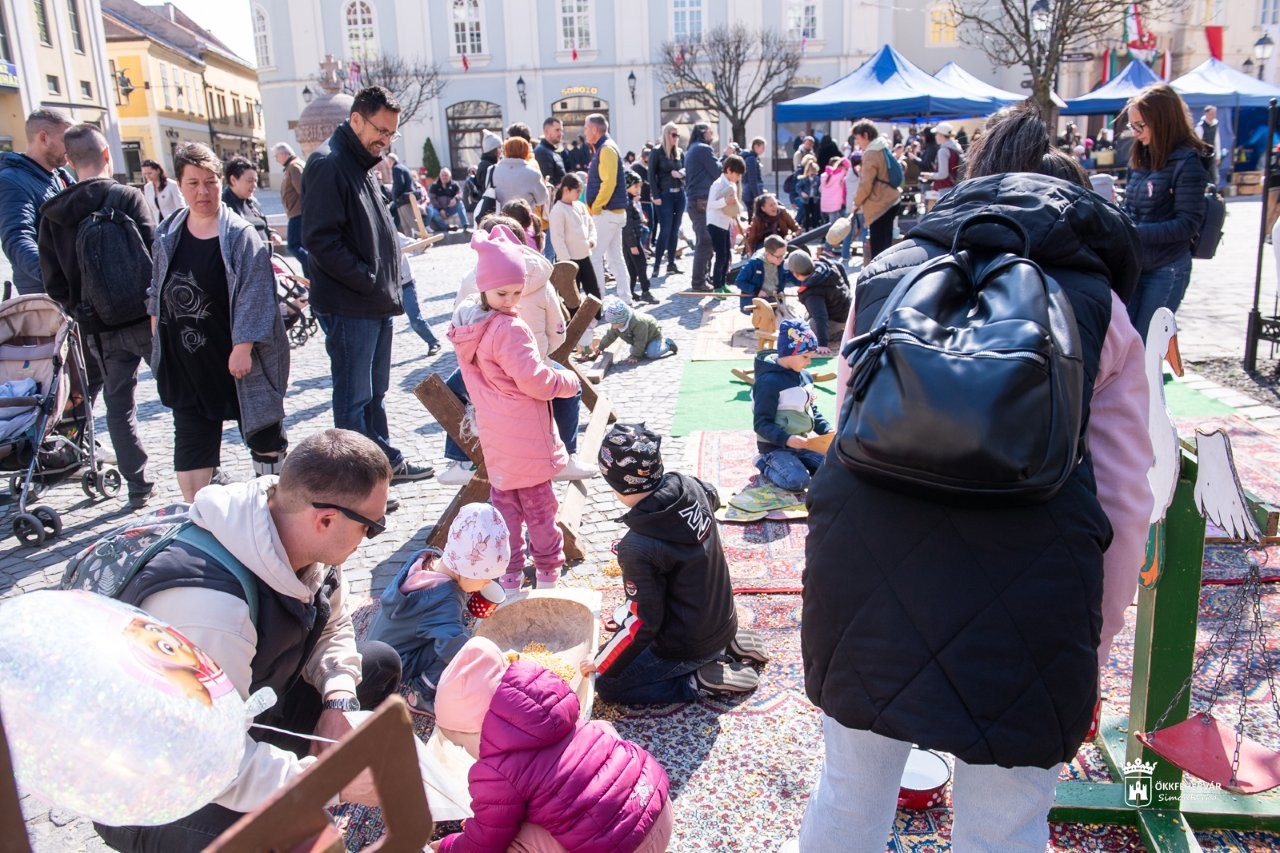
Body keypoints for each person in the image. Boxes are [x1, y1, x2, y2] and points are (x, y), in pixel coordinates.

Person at [793, 102, 1151, 853]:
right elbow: (1123, 497)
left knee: (850, 794)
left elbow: (847, 435)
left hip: (864, 580)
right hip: (1032, 602)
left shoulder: (889, 274)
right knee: (1002, 823)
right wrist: (1096, 635)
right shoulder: (1103, 308)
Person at [95, 429, 404, 852]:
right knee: (307, 840)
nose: (371, 537)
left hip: (234, 714)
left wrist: (339, 700)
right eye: (372, 526)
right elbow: (209, 762)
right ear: (326, 519)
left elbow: (333, 626)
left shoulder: (291, 527)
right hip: (154, 782)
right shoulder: (213, 612)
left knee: (377, 662)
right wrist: (332, 784)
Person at [302, 86, 434, 491]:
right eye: (381, 130)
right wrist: (369, 279)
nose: (385, 140)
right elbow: (321, 242)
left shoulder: (360, 163)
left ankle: (381, 468)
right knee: (354, 401)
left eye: (392, 134)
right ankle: (356, 485)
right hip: (350, 305)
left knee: (375, 395)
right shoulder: (328, 163)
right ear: (356, 119)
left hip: (374, 302)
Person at [431, 636, 673, 852]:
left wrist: (446, 846)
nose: (470, 754)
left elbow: (485, 843)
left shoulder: (493, 773)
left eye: (462, 744)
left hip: (622, 846)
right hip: (658, 808)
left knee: (511, 841)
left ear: (477, 729)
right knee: (599, 729)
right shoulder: (555, 711)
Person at [149, 142, 290, 502]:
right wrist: (155, 334)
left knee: (265, 440)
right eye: (193, 183)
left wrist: (243, 346)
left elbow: (257, 295)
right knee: (193, 455)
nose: (203, 192)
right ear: (179, 185)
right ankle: (204, 529)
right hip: (190, 365)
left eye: (210, 182)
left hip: (240, 365)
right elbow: (156, 289)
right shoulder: (168, 234)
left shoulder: (240, 236)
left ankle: (275, 516)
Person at [585, 422, 766, 702]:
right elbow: (713, 497)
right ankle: (726, 643)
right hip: (723, 616)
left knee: (608, 685)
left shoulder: (636, 547)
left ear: (614, 484)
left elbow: (643, 622)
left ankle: (695, 682)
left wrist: (601, 662)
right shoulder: (689, 484)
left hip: (687, 643)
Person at [447, 227, 582, 591]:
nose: (510, 300)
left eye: (517, 293)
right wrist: (568, 383)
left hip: (496, 440)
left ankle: (508, 577)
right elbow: (535, 380)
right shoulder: (509, 329)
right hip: (527, 439)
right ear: (484, 289)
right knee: (540, 511)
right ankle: (549, 573)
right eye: (503, 292)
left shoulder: (470, 327)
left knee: (505, 512)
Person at [37, 124, 157, 509]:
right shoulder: (127, 196)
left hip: (98, 328)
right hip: (146, 318)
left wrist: (80, 312)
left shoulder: (53, 214)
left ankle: (138, 485)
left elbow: (53, 282)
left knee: (119, 407)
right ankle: (204, 469)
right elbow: (158, 256)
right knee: (184, 394)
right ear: (107, 155)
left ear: (69, 163)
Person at [367, 503, 510, 715]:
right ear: (466, 570)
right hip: (396, 663)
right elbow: (454, 649)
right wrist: (486, 662)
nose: (486, 584)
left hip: (383, 641)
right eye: (484, 579)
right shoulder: (445, 599)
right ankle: (422, 693)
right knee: (458, 645)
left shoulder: (426, 558)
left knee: (449, 629)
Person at [1120, 83, 1212, 341]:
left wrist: (1135, 232)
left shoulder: (1188, 162)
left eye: (1140, 125)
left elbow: (1187, 224)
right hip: (1139, 265)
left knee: (1147, 346)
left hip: (1166, 268)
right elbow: (1132, 208)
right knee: (1128, 343)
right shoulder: (1142, 157)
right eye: (1132, 126)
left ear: (1162, 121)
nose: (1136, 133)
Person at [750, 319, 830, 493]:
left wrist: (828, 431)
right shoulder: (768, 382)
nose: (809, 362)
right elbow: (761, 423)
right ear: (789, 352)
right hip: (776, 446)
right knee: (798, 481)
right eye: (805, 357)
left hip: (803, 443)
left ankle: (796, 463)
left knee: (834, 470)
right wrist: (787, 439)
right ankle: (763, 463)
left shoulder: (805, 376)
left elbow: (811, 409)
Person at [0, 109, 73, 295]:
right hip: (45, 296)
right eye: (67, 140)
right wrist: (55, 276)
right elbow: (17, 237)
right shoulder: (11, 180)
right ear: (43, 138)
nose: (72, 147)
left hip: (67, 292)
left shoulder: (58, 176)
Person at [582, 113, 632, 305]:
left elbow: (608, 182)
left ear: (594, 129)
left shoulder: (606, 149)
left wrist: (596, 206)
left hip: (607, 213)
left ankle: (597, 302)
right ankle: (625, 299)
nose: (585, 132)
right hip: (612, 213)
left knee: (595, 257)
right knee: (615, 259)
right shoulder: (606, 147)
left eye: (586, 128)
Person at [549, 173, 601, 327]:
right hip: (569, 259)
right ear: (566, 190)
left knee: (593, 287)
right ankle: (575, 324)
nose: (580, 194)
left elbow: (590, 225)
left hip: (584, 254)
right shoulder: (558, 210)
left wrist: (592, 240)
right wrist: (566, 261)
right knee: (572, 294)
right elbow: (557, 238)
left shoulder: (579, 205)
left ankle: (597, 315)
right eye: (577, 191)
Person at [849, 119, 904, 263]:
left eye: (858, 138)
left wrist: (856, 202)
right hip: (891, 199)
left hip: (880, 204)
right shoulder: (882, 147)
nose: (857, 142)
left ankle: (878, 277)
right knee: (885, 243)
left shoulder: (871, 153)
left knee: (878, 247)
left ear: (866, 135)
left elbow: (866, 184)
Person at [786, 250, 850, 356]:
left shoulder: (812, 293)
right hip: (844, 307)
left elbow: (821, 317)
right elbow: (841, 267)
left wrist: (822, 344)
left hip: (837, 318)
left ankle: (838, 334)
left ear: (796, 274)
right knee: (808, 315)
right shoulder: (826, 266)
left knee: (802, 333)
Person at [683, 122, 719, 292]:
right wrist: (727, 158)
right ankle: (698, 281)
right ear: (703, 132)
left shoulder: (693, 148)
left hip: (698, 200)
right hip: (701, 201)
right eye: (711, 131)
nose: (713, 134)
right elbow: (718, 171)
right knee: (705, 241)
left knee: (705, 240)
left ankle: (703, 277)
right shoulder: (703, 149)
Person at [648, 121, 686, 277]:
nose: (676, 137)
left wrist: (682, 174)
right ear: (667, 134)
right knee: (665, 230)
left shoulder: (680, 152)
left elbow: (685, 169)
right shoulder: (657, 152)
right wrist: (655, 195)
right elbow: (651, 174)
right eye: (674, 134)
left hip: (679, 194)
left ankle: (671, 263)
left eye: (678, 135)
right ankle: (657, 265)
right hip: (665, 195)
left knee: (675, 230)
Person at [396, 233, 442, 356]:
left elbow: (416, 246)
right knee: (381, 323)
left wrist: (425, 242)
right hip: (385, 285)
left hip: (405, 282)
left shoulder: (395, 235)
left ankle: (433, 342)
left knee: (415, 318)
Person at [591, 297, 677, 362]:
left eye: (614, 323)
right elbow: (610, 335)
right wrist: (601, 346)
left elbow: (640, 340)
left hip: (653, 336)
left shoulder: (638, 323)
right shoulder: (618, 323)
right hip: (640, 337)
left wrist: (636, 356)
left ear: (622, 320)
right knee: (632, 350)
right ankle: (644, 349)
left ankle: (668, 344)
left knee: (652, 354)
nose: (612, 326)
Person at [707, 154, 746, 293]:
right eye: (737, 174)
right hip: (715, 223)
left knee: (727, 255)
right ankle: (717, 287)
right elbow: (711, 203)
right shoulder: (717, 184)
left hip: (725, 223)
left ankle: (723, 283)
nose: (738, 177)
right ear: (728, 170)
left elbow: (734, 206)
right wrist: (725, 202)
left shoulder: (732, 185)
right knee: (720, 255)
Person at [221, 156, 280, 246]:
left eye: (255, 181)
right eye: (249, 181)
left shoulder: (252, 201)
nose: (254, 185)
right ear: (233, 180)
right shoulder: (223, 207)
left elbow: (263, 224)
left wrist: (272, 233)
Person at [491, 136, 550, 222]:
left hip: (500, 220)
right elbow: (542, 199)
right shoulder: (533, 173)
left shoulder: (493, 170)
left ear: (505, 151)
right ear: (526, 152)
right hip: (525, 220)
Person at [274, 143, 308, 278]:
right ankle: (310, 278)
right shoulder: (292, 166)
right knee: (302, 247)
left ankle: (314, 265)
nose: (276, 159)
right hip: (297, 213)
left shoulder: (294, 166)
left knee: (293, 245)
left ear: (284, 154)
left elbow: (304, 190)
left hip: (298, 213)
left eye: (276, 156)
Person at [622, 170, 656, 303]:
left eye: (639, 186)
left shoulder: (630, 201)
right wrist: (632, 244)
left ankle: (630, 291)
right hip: (632, 241)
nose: (638, 189)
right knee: (641, 264)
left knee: (632, 267)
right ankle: (645, 291)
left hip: (632, 240)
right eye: (635, 186)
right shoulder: (627, 204)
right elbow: (627, 226)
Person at [922, 122, 963, 209]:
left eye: (936, 134)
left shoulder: (943, 151)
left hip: (944, 189)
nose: (935, 136)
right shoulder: (956, 147)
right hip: (954, 187)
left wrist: (930, 176)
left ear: (941, 135)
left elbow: (943, 174)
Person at [141, 159, 187, 223]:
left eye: (150, 173)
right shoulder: (147, 188)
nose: (147, 176)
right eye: (145, 174)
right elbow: (148, 209)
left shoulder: (172, 185)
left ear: (158, 171)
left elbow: (181, 205)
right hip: (157, 223)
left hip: (173, 222)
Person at [425, 167, 468, 233]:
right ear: (440, 176)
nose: (444, 177)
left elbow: (461, 194)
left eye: (446, 175)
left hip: (450, 208)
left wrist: (455, 198)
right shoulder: (434, 186)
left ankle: (465, 225)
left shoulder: (454, 184)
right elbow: (432, 199)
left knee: (460, 203)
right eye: (443, 175)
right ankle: (447, 227)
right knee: (432, 211)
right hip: (438, 209)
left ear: (450, 176)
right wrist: (440, 209)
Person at [819, 156, 848, 224]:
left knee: (832, 222)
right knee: (844, 220)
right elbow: (848, 165)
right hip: (838, 202)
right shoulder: (840, 174)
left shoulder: (824, 176)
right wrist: (843, 160)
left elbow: (820, 190)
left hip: (827, 204)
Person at [743, 137, 766, 217]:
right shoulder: (751, 159)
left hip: (748, 192)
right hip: (750, 193)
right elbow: (752, 179)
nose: (763, 150)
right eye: (762, 148)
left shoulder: (753, 157)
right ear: (756, 146)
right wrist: (757, 196)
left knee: (752, 216)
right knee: (754, 217)